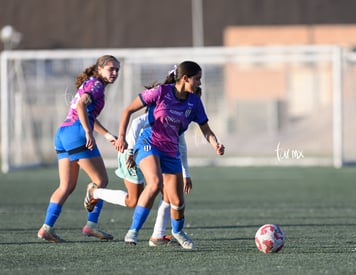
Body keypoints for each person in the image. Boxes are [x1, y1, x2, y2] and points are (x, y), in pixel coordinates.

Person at [111, 61, 224, 249]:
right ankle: (133, 230)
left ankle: (178, 232)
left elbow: (206, 129)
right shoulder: (161, 92)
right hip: (148, 144)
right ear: (185, 78)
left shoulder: (194, 102)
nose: (199, 83)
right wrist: (123, 138)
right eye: (197, 79)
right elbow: (128, 110)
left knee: (177, 201)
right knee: (154, 183)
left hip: (171, 151)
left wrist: (215, 144)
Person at [37, 55, 121, 243]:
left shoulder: (92, 83)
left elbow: (87, 113)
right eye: (111, 69)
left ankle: (46, 228)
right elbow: (82, 105)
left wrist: (107, 135)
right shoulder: (97, 85)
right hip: (76, 134)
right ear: (99, 69)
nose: (115, 73)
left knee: (66, 186)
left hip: (62, 133)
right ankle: (91, 225)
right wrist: (87, 132)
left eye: (117, 69)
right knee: (101, 180)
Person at [87, 110, 194, 246]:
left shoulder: (180, 114)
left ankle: (157, 235)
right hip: (133, 153)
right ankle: (95, 192)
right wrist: (130, 151)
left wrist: (186, 174)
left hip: (156, 152)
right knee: (134, 200)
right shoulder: (163, 106)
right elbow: (135, 121)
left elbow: (181, 144)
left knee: (168, 192)